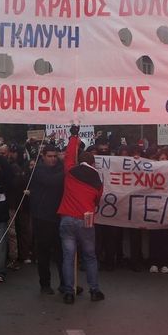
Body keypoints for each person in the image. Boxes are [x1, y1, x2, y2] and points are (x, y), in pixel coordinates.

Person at [57, 126, 104, 304]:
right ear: (93, 163)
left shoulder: (70, 171)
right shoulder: (98, 181)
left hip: (68, 218)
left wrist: (74, 136)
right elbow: (97, 200)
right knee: (90, 256)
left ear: (79, 161)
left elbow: (69, 155)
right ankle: (94, 290)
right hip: (86, 219)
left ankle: (69, 292)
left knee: (68, 257)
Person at [29, 144, 65, 293]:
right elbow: (51, 182)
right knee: (44, 252)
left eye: (55, 156)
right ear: (43, 156)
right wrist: (66, 170)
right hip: (42, 217)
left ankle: (66, 283)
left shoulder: (59, 168)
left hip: (58, 216)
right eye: (50, 156)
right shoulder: (38, 170)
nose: (53, 159)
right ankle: (45, 284)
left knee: (61, 252)